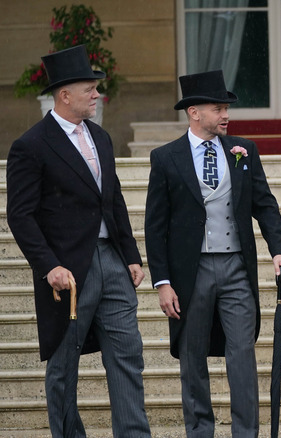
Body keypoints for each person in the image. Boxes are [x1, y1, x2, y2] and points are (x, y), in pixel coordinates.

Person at [6, 45, 151, 437]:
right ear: (64, 95)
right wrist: (49, 266)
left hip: (113, 265)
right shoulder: (31, 145)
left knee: (128, 357)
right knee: (63, 368)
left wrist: (132, 255)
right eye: (89, 88)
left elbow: (113, 199)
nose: (96, 95)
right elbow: (20, 215)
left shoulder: (102, 138)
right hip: (68, 272)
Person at [144, 70, 281, 438]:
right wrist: (162, 282)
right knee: (192, 359)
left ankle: (246, 433)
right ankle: (200, 432)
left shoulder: (244, 151)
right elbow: (155, 225)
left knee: (241, 354)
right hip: (190, 273)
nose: (225, 115)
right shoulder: (166, 158)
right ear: (194, 112)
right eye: (218, 108)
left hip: (236, 266)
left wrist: (278, 251)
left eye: (226, 108)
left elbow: (265, 204)